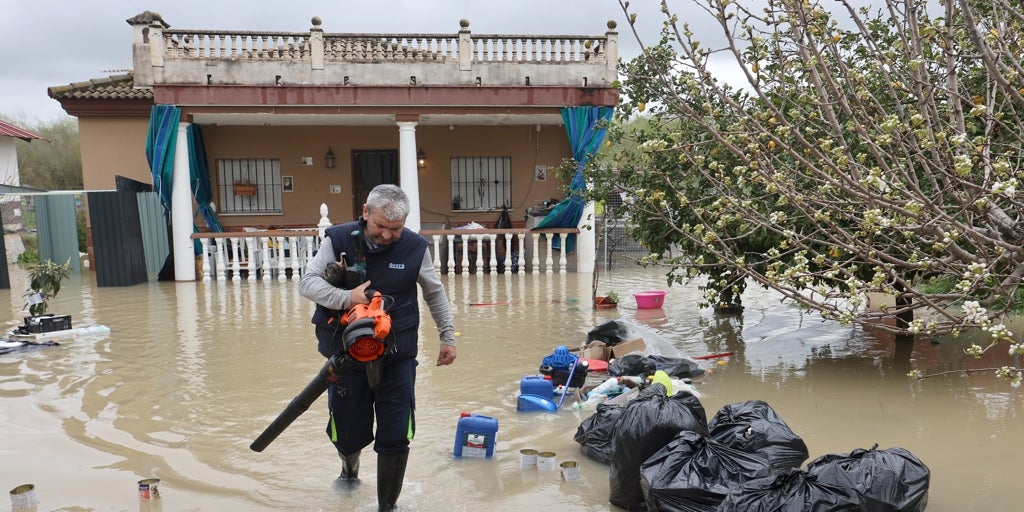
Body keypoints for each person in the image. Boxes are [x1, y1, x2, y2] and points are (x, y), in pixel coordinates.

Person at [298, 184, 457, 511]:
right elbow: (308, 283)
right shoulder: (338, 239)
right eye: (380, 226)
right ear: (365, 213)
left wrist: (448, 336)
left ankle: (388, 506)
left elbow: (434, 292)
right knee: (347, 431)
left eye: (395, 229)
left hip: (397, 356)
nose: (387, 235)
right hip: (346, 357)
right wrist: (347, 297)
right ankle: (349, 469)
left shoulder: (414, 247)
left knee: (397, 433)